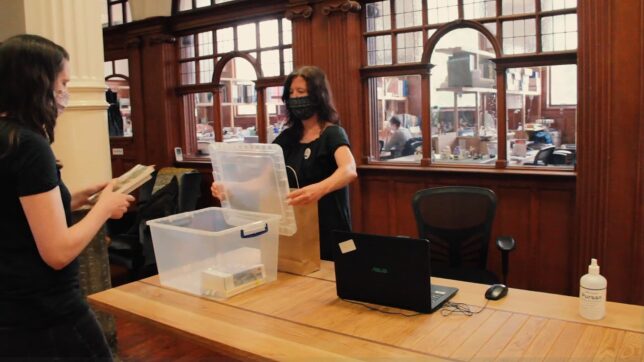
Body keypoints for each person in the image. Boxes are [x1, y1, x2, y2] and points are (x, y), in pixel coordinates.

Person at [0, 34, 134, 360]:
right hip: (46, 310)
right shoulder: (30, 146)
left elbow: (15, 211)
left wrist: (76, 198)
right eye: (62, 82)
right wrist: (103, 209)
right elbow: (58, 252)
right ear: (38, 83)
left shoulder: (7, 139)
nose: (65, 93)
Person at [212, 66, 357, 260]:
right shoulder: (287, 139)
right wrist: (231, 187)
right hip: (296, 228)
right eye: (291, 93)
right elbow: (263, 181)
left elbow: (348, 170)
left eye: (301, 92)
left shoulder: (332, 134)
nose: (295, 97)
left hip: (330, 226)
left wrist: (319, 189)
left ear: (317, 95)